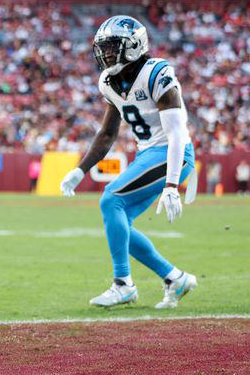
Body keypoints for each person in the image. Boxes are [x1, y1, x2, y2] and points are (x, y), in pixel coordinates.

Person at [60, 16, 197, 309]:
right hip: (148, 153)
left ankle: (123, 284)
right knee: (119, 221)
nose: (105, 54)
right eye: (104, 48)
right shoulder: (109, 81)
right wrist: (80, 170)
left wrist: (172, 185)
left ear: (133, 46)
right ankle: (175, 278)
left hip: (173, 152)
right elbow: (108, 132)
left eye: (112, 47)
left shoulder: (157, 73)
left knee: (111, 199)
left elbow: (176, 134)